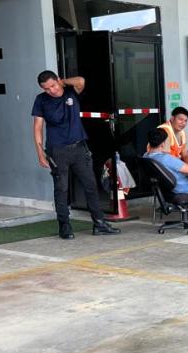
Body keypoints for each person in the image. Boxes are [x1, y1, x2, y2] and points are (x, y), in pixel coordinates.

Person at [32, 70, 121, 239]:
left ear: (58, 81)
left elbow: (81, 80)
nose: (51, 90)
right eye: (46, 88)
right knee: (61, 189)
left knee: (91, 186)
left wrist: (63, 83)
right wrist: (40, 153)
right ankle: (64, 226)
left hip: (79, 148)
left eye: (53, 85)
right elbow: (37, 127)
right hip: (57, 151)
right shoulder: (41, 100)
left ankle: (99, 223)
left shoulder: (71, 92)